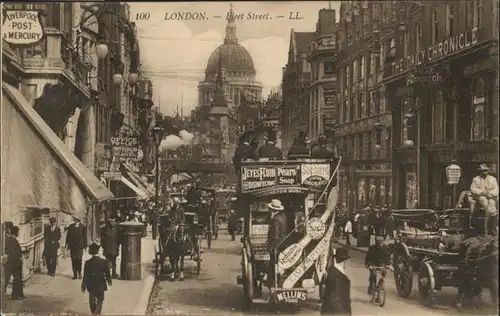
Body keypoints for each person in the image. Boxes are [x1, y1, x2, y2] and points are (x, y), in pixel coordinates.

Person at [81, 242, 112, 316]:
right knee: (100, 299)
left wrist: (83, 285)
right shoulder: (104, 262)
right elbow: (107, 273)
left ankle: (93, 312)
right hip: (101, 283)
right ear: (98, 251)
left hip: (91, 284)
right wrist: (109, 281)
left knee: (92, 300)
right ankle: (98, 311)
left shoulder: (87, 263)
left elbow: (85, 275)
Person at [321, 247, 352, 315]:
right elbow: (333, 298)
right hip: (337, 311)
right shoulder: (336, 274)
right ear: (344, 261)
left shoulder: (334, 271)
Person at [470, 164, 498, 235]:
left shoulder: (492, 179)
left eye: (486, 171)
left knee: (492, 204)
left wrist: (490, 193)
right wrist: (481, 192)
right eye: (483, 171)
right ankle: (485, 226)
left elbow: (496, 189)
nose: (484, 172)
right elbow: (472, 189)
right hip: (480, 196)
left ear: (488, 171)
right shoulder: (476, 179)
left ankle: (491, 227)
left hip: (490, 196)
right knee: (483, 201)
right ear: (480, 171)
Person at [267, 199, 288, 286]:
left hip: (276, 245)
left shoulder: (275, 219)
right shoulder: (283, 216)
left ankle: (272, 282)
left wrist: (270, 246)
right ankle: (280, 281)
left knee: (273, 264)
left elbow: (274, 235)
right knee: (280, 264)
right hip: (283, 244)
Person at [6, 226, 25, 300]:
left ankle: (20, 294)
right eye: (18, 232)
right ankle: (15, 295)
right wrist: (19, 259)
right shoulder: (12, 240)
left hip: (16, 263)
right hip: (15, 263)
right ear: (16, 232)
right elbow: (14, 253)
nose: (18, 233)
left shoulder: (13, 240)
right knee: (17, 279)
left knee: (19, 279)